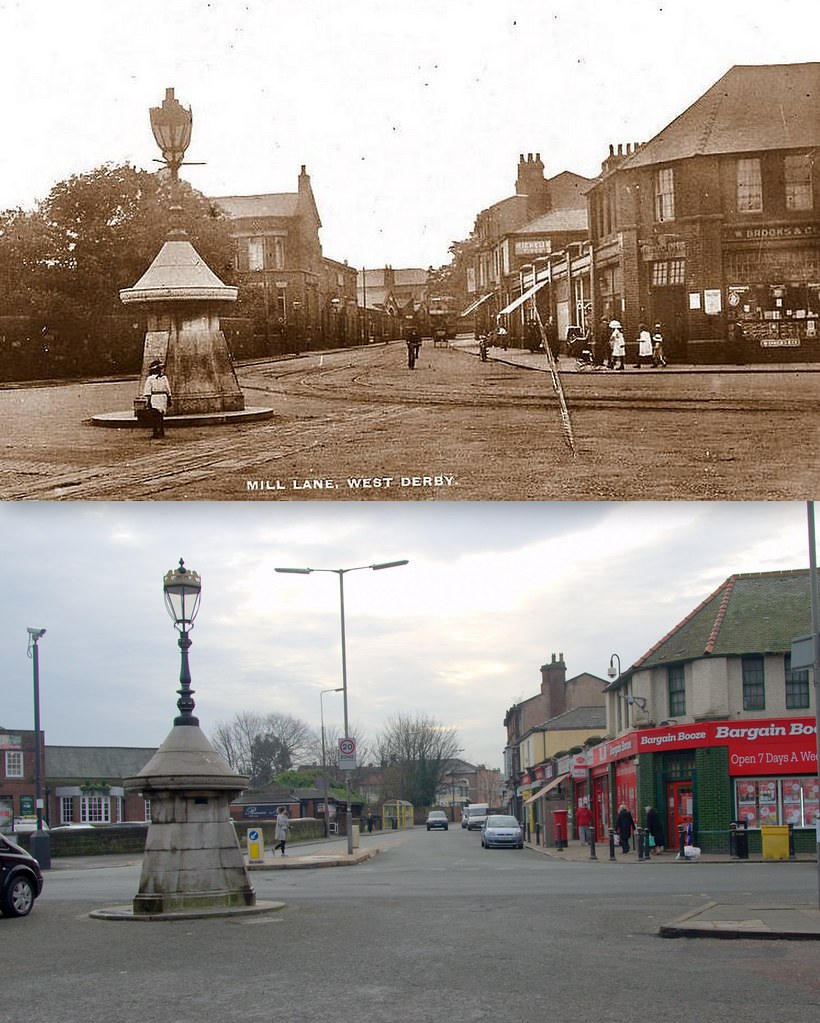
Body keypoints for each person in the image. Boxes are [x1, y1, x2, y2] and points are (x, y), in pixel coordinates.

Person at [143, 360, 172, 438]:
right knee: (157, 414)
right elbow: (148, 391)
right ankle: (158, 430)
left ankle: (158, 430)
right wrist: (148, 400)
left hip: (159, 397)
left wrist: (169, 397)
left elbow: (167, 388)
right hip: (157, 397)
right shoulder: (153, 379)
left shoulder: (162, 378)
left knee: (158, 414)